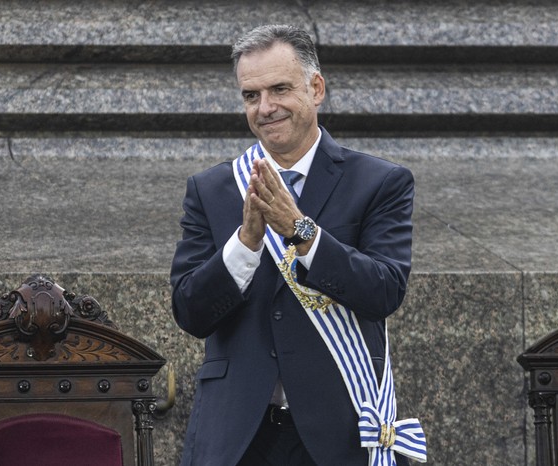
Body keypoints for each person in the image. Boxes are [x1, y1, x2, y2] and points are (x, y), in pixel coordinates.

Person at [170, 24, 426, 466]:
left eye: (279, 89)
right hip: (236, 434)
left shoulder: (379, 182)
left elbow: (384, 290)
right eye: (251, 96)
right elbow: (190, 312)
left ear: (316, 88)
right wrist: (245, 244)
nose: (265, 108)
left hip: (337, 431)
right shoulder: (212, 189)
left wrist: (301, 232)